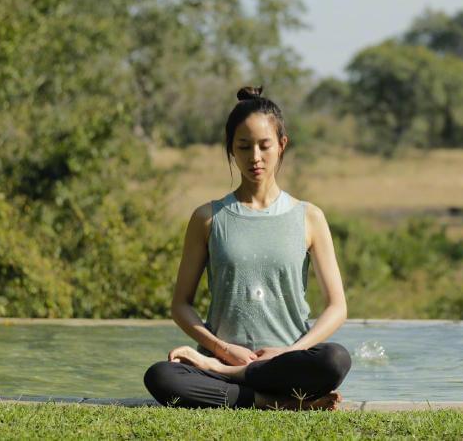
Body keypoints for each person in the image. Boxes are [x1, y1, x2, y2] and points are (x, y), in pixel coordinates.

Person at [144, 86, 351, 410]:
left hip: (286, 365)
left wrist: (289, 352)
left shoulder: (309, 217)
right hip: (222, 363)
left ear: (282, 145)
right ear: (231, 150)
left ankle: (243, 382)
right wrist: (221, 350)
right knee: (161, 377)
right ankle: (270, 399)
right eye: (244, 146)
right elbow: (180, 305)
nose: (255, 157)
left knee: (334, 359)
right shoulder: (208, 218)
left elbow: (337, 307)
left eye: (264, 146)